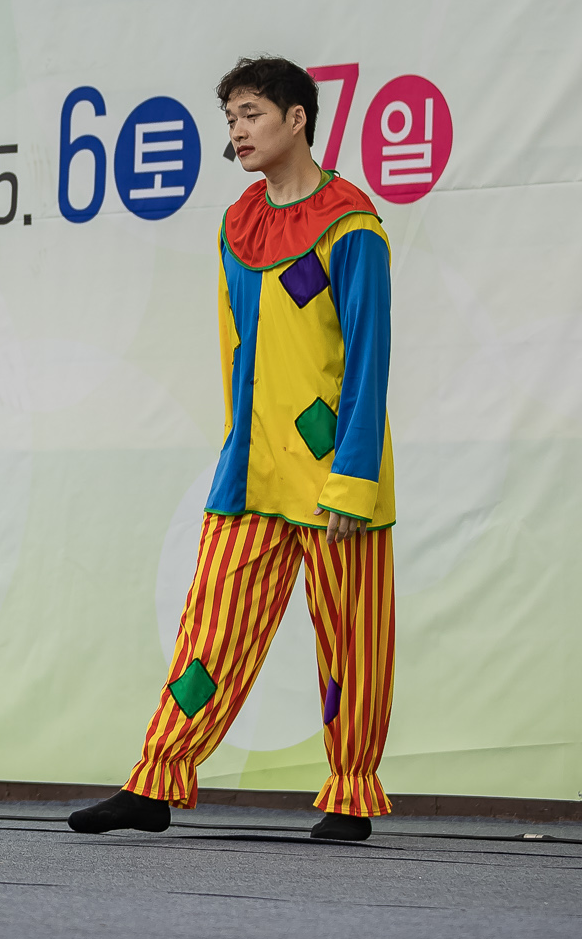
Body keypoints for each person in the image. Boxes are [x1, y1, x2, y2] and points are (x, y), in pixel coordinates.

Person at [69, 56, 395, 843]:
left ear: (297, 119)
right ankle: (155, 779)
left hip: (330, 471)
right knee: (209, 631)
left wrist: (351, 476)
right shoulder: (239, 224)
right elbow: (238, 352)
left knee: (351, 642)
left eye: (251, 113)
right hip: (250, 470)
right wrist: (235, 449)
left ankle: (350, 791)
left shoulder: (352, 221)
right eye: (231, 119)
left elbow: (368, 352)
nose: (239, 131)